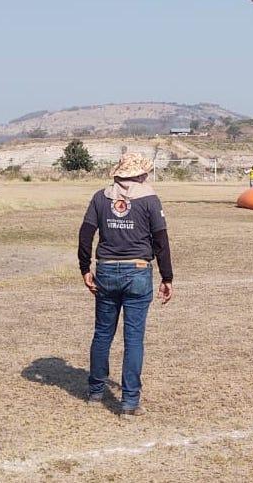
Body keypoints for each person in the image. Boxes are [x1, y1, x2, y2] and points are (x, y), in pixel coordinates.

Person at [78, 152, 174, 416]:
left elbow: (85, 234)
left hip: (106, 270)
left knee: (102, 334)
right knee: (133, 339)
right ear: (140, 174)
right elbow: (160, 240)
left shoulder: (100, 197)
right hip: (138, 271)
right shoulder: (150, 199)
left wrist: (85, 268)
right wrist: (167, 277)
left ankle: (96, 391)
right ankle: (130, 401)